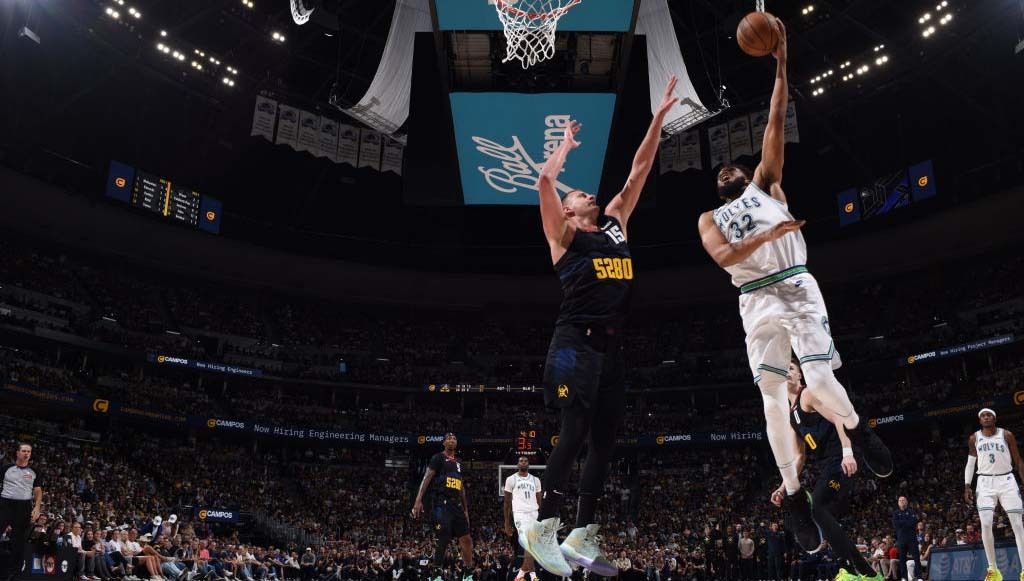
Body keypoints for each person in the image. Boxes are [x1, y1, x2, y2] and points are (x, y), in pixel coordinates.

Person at [696, 16, 892, 554]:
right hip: (755, 299)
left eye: (729, 168)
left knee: (822, 388)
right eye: (717, 174)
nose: (723, 173)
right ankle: (793, 493)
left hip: (796, 285)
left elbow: (775, 119)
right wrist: (771, 235)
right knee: (771, 404)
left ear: (745, 174)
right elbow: (724, 258)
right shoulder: (709, 220)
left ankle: (860, 427)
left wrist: (782, 63)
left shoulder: (767, 182)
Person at [520, 75, 681, 578]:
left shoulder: (614, 223)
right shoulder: (563, 235)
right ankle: (542, 527)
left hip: (610, 352)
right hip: (570, 347)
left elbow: (638, 171)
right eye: (580, 193)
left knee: (607, 438)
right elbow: (544, 183)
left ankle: (583, 533)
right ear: (570, 212)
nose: (589, 192)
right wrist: (563, 147)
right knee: (574, 428)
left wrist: (657, 120)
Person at [770, 358, 882, 581]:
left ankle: (849, 570)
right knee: (823, 516)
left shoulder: (808, 394)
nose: (786, 371)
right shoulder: (791, 414)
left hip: (842, 455)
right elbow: (799, 457)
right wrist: (783, 486)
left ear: (800, 375)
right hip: (829, 464)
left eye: (791, 368)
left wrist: (848, 452)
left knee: (818, 508)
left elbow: (840, 416)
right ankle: (870, 575)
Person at [965, 408, 1024, 581]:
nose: (986, 417)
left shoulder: (1007, 435)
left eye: (989, 415)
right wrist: (967, 485)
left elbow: (1018, 459)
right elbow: (970, 463)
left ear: (995, 418)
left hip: (1007, 480)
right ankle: (993, 570)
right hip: (984, 482)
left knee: (1018, 525)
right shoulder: (974, 438)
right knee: (985, 524)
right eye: (983, 415)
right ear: (979, 420)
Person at [411, 433, 474, 581]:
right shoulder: (438, 458)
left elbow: (461, 487)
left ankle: (467, 573)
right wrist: (418, 500)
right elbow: (427, 477)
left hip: (456, 505)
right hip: (441, 503)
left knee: (466, 539)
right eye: (449, 439)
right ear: (444, 443)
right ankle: (436, 574)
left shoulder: (459, 462)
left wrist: (465, 510)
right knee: (444, 535)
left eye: (454, 439)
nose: (452, 440)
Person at [0, 442, 44, 580]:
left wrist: (37, 507)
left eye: (29, 452)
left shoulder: (34, 471)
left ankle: (14, 575)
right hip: (5, 504)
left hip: (23, 507)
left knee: (18, 543)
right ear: (17, 453)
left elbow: (38, 491)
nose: (26, 453)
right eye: (24, 451)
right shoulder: (6, 468)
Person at [503, 457, 541, 581]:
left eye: (525, 461)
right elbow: (507, 502)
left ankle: (519, 576)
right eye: (521, 461)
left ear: (528, 464)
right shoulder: (511, 479)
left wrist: (539, 516)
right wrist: (507, 522)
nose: (523, 462)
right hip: (520, 514)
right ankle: (533, 576)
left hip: (534, 514)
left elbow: (539, 500)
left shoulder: (536, 480)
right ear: (517, 464)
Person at [891, 497, 921, 581]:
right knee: (902, 559)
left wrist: (902, 523)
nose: (901, 501)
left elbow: (913, 522)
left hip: (912, 538)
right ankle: (904, 577)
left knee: (916, 558)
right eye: (900, 500)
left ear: (907, 502)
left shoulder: (911, 511)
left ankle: (919, 577)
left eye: (903, 500)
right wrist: (906, 522)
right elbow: (896, 524)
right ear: (898, 503)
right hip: (901, 539)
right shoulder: (896, 513)